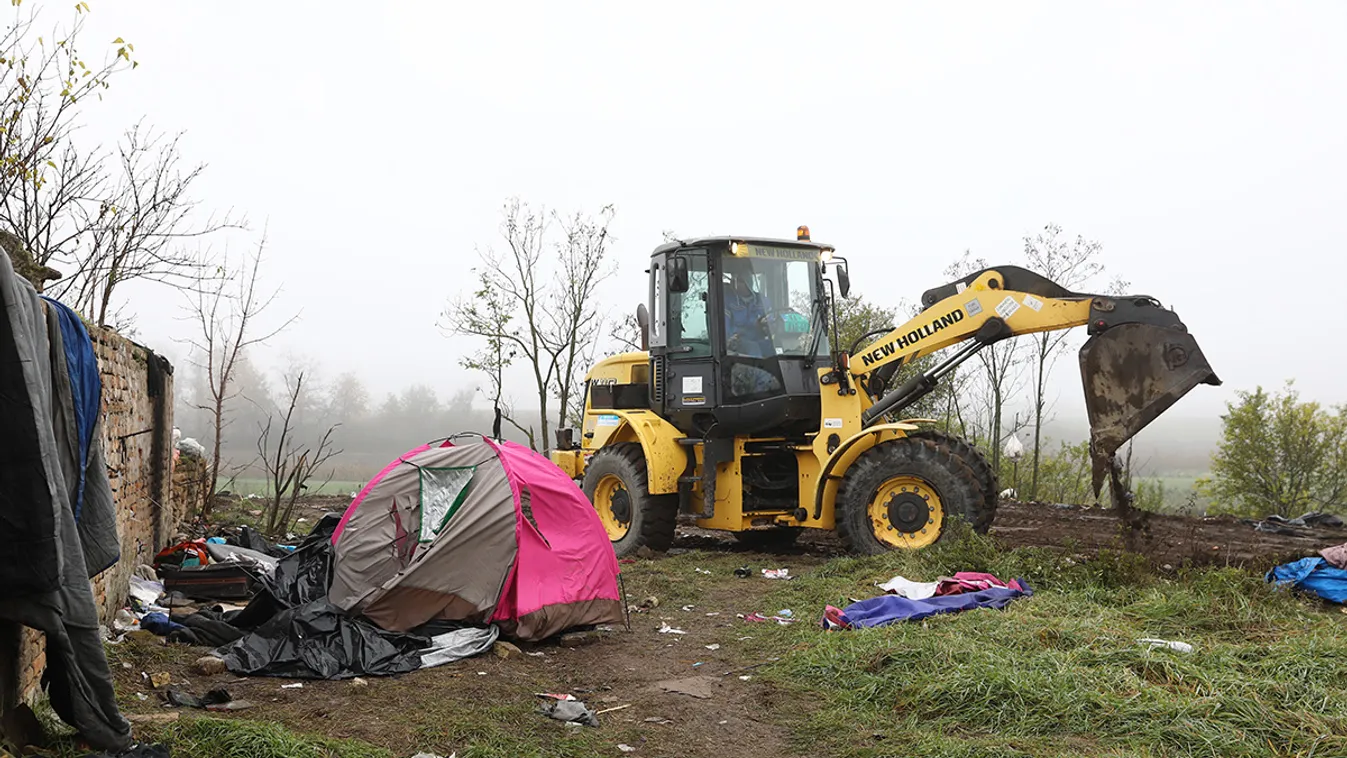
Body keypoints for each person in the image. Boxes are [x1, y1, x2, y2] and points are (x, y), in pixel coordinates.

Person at [723, 258, 773, 357]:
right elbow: (724, 327)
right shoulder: (727, 300)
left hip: (760, 340)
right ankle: (757, 372)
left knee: (775, 349)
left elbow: (771, 321)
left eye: (739, 281)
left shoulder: (762, 301)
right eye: (733, 280)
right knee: (752, 348)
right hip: (737, 342)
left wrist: (767, 325)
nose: (734, 283)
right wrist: (727, 340)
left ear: (748, 282)